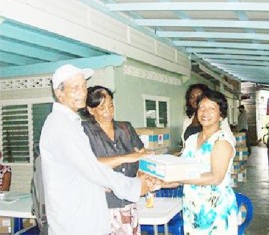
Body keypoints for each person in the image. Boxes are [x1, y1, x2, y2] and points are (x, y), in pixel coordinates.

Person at [39, 64, 152, 235]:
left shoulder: (71, 123)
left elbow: (84, 172)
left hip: (88, 216)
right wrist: (135, 187)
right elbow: (92, 168)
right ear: (59, 93)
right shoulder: (61, 126)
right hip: (76, 223)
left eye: (84, 86)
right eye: (75, 87)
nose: (82, 92)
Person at [166, 89, 238, 234]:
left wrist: (179, 177)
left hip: (216, 210)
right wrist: (161, 181)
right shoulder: (192, 139)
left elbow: (215, 177)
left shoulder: (222, 141)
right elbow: (181, 171)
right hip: (192, 209)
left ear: (221, 115)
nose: (205, 113)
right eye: (202, 108)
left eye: (212, 108)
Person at [81, 85, 146, 235]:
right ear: (91, 110)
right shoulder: (84, 131)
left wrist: (144, 176)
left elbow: (143, 156)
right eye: (102, 108)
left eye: (110, 105)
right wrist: (126, 157)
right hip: (101, 203)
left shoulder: (125, 128)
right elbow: (89, 165)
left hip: (128, 201)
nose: (108, 111)